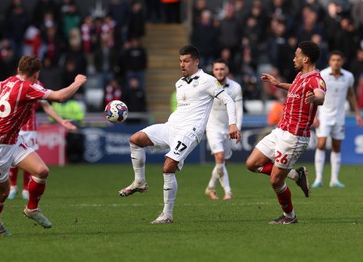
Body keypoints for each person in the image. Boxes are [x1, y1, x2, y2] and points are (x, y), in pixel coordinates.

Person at [118, 45, 241, 224]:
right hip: (171, 127)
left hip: (190, 131)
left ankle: (167, 215)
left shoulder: (208, 80)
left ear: (196, 62)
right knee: (135, 140)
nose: (182, 65)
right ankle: (139, 182)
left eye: (186, 61)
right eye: (180, 61)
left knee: (168, 167)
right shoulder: (180, 83)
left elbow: (228, 100)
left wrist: (232, 124)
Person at [0, 55, 87, 235]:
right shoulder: (28, 87)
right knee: (2, 194)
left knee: (41, 171)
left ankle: (31, 209)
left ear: (18, 70)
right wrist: (77, 82)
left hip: (14, 140)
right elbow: (60, 97)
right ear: (36, 74)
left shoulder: (9, 81)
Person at [245, 41, 326, 224]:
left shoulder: (316, 79)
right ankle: (296, 176)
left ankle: (289, 217)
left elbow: (320, 94)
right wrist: (278, 84)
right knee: (251, 164)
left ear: (305, 59)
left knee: (275, 181)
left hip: (294, 137)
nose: (294, 58)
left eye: (297, 55)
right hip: (280, 130)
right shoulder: (300, 75)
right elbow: (297, 90)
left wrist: (316, 98)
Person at [8, 100, 77, 200]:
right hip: (14, 128)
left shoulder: (37, 85)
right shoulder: (14, 85)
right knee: (13, 159)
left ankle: (26, 189)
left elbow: (46, 104)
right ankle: (13, 187)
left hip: (29, 131)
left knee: (28, 159)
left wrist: (60, 120)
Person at [312, 50, 362, 188]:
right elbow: (315, 96)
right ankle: (318, 178)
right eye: (333, 60)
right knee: (321, 144)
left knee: (337, 146)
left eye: (338, 60)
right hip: (324, 116)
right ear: (329, 61)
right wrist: (314, 116)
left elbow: (351, 95)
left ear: (342, 61)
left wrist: (357, 114)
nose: (336, 62)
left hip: (339, 117)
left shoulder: (348, 76)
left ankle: (334, 180)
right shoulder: (322, 75)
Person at [205, 58, 243, 200]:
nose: (219, 72)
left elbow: (239, 111)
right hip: (212, 127)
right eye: (216, 69)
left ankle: (210, 187)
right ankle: (228, 191)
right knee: (220, 157)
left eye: (222, 69)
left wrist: (237, 128)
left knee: (223, 162)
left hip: (228, 129)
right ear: (213, 71)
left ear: (227, 70)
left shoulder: (235, 87)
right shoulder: (207, 85)